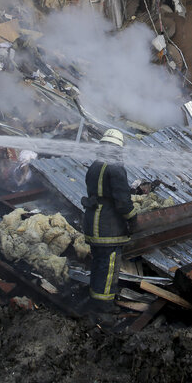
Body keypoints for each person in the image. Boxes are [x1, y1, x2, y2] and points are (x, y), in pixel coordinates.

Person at [81, 129, 138, 318]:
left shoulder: (95, 166)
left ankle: (94, 299)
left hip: (93, 222)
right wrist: (132, 218)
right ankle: (104, 307)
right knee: (109, 267)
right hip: (108, 227)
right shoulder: (115, 168)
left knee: (98, 263)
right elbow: (122, 201)